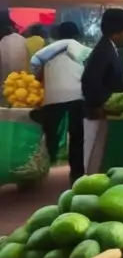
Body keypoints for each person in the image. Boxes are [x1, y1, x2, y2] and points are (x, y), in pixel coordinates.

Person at [80, 9, 123, 180]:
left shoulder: (109, 48)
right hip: (99, 113)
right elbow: (89, 81)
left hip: (104, 111)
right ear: (117, 31)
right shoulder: (103, 52)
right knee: (96, 156)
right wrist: (99, 106)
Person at [31, 22, 90, 171]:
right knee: (77, 134)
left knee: (50, 132)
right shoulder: (82, 51)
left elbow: (37, 76)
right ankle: (77, 169)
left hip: (52, 97)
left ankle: (46, 163)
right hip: (77, 95)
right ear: (78, 35)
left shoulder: (48, 54)